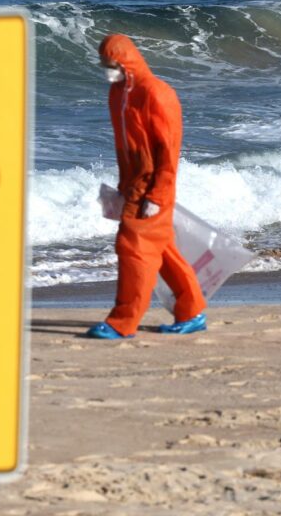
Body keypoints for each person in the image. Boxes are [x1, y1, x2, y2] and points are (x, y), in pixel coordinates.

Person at [87, 34, 207, 339]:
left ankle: (122, 321)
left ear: (125, 62)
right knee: (163, 250)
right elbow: (125, 146)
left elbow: (168, 149)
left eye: (111, 64)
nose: (107, 70)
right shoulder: (118, 93)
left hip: (154, 187)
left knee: (133, 248)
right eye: (104, 64)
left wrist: (158, 192)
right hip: (133, 186)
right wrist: (122, 187)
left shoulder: (155, 93)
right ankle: (192, 311)